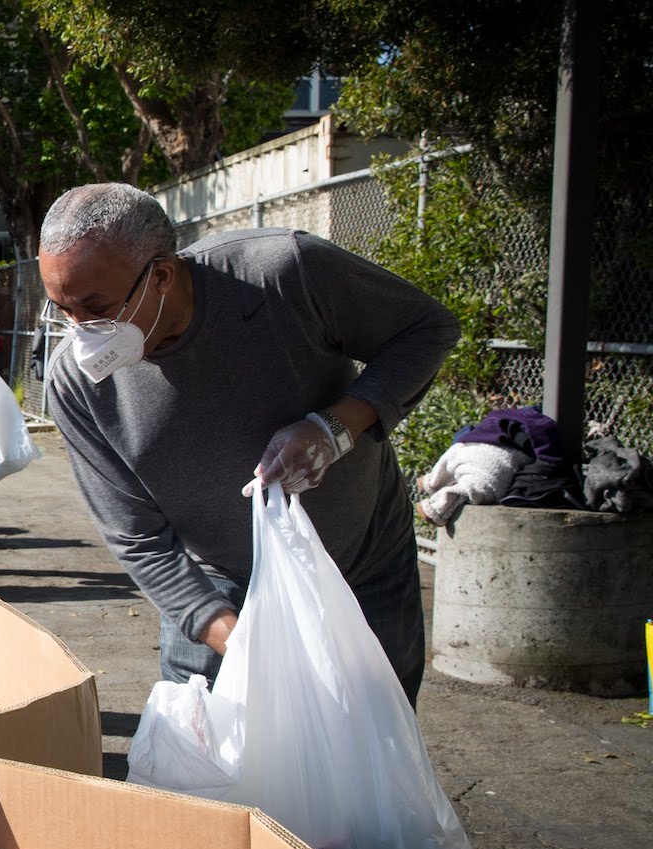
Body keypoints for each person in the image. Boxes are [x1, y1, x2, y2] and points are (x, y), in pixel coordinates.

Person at [37, 182, 459, 704]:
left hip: (362, 565)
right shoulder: (76, 385)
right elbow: (137, 537)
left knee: (374, 750)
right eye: (62, 310)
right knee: (211, 767)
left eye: (93, 307)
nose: (80, 331)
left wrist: (336, 427)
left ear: (162, 276)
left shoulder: (284, 274)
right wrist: (235, 641)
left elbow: (426, 330)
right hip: (219, 587)